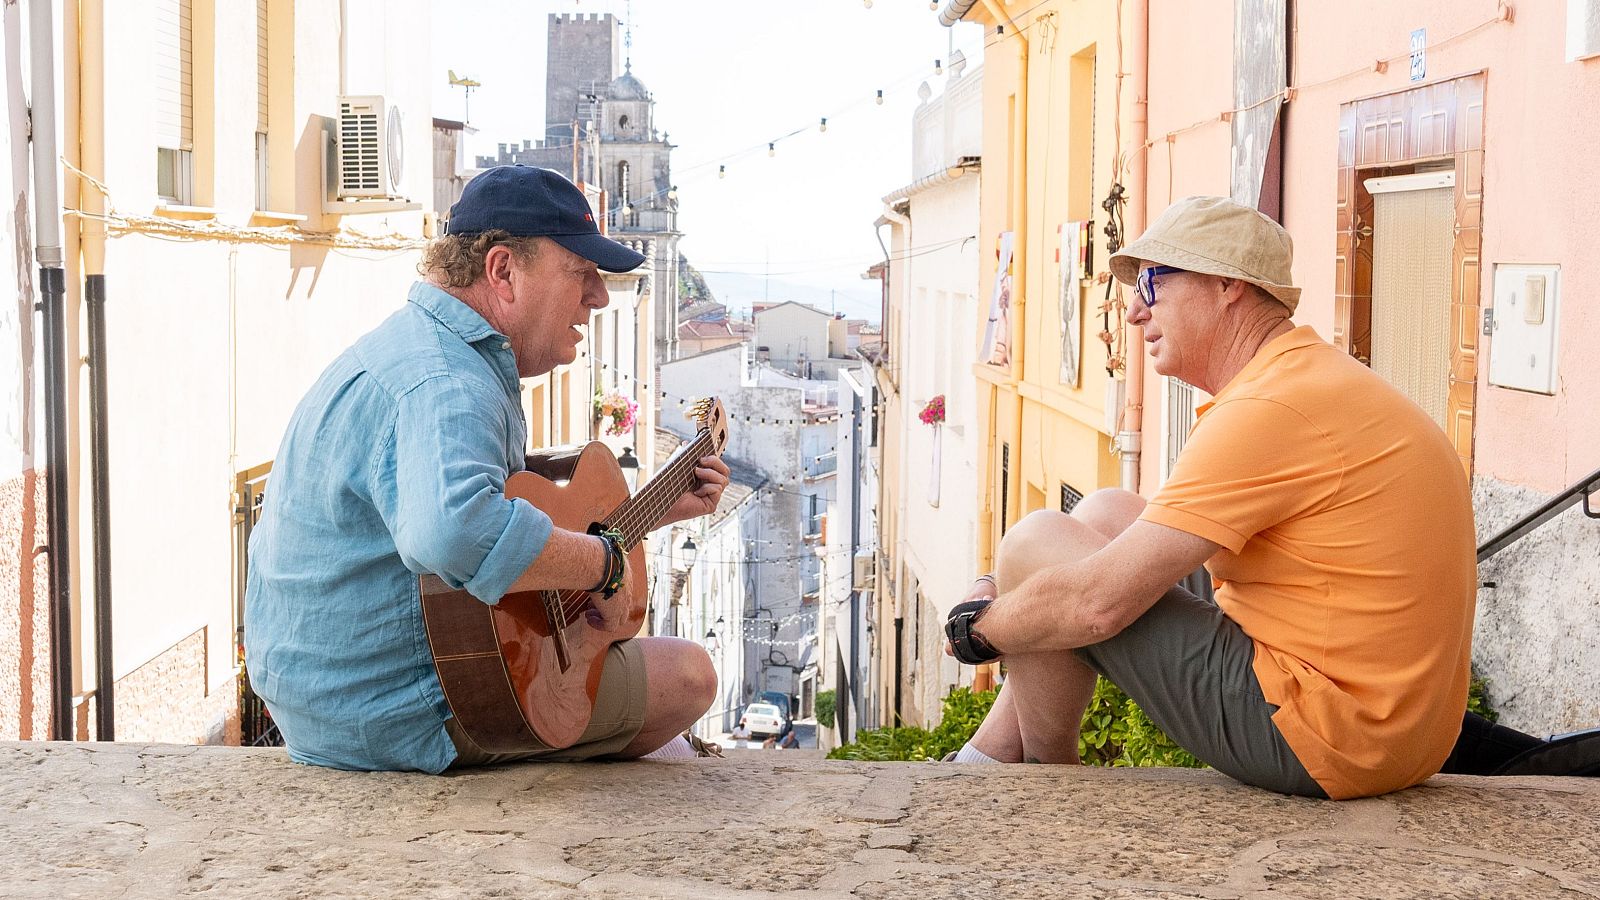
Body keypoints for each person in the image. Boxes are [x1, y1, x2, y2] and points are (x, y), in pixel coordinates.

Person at [944, 196, 1476, 800]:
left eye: (1152, 281)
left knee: (1037, 544)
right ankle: (991, 754)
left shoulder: (1267, 410)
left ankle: (1046, 784)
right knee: (1104, 514)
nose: (1136, 311)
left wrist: (980, 629)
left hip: (1335, 740)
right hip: (1403, 732)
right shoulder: (1302, 377)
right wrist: (1003, 588)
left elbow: (1098, 607)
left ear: (1228, 285)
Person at [245, 166, 729, 773]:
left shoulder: (418, 349)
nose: (600, 297)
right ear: (503, 271)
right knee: (690, 676)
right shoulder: (448, 382)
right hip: (405, 709)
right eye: (581, 273)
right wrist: (603, 561)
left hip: (336, 700)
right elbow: (454, 532)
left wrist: (648, 517)